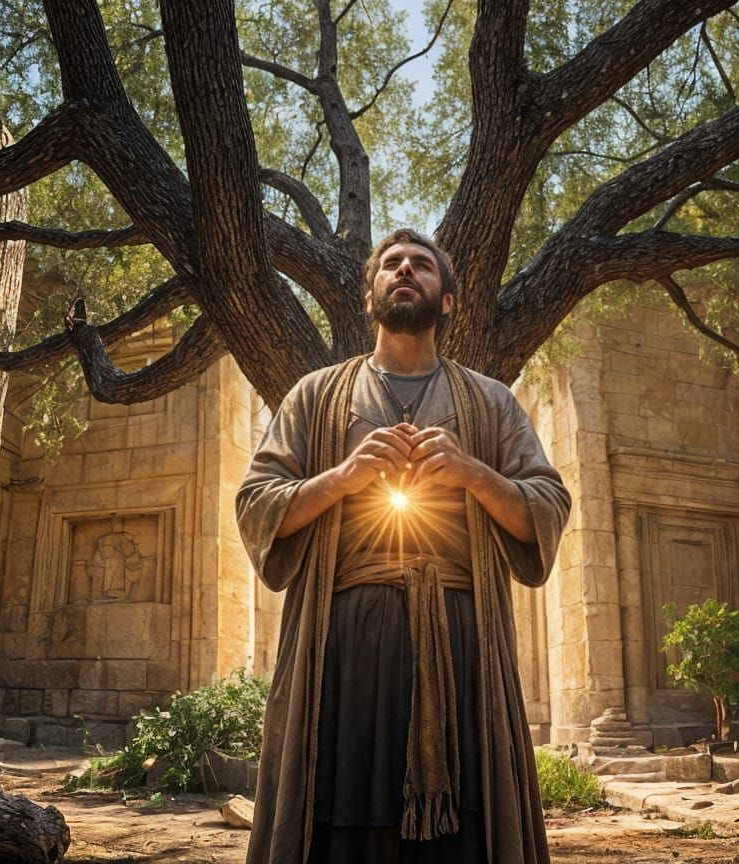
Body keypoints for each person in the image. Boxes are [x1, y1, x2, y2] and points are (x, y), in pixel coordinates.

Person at [236, 228, 571, 864]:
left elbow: (548, 506)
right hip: (342, 642)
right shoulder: (315, 395)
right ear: (371, 296)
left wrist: (475, 473)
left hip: (462, 637)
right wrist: (342, 477)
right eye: (392, 265)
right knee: (341, 808)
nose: (406, 270)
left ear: (446, 300)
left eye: (422, 265)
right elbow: (256, 504)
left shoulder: (491, 401)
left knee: (467, 819)